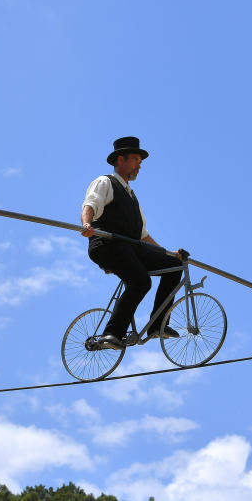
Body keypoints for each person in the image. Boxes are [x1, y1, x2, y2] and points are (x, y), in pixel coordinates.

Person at [80, 136, 184, 349]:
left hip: (130, 247)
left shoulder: (132, 198)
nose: (139, 166)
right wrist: (87, 224)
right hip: (107, 244)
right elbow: (90, 204)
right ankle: (111, 334)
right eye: (136, 160)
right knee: (141, 281)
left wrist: (169, 254)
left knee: (174, 266)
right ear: (121, 160)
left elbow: (143, 236)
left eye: (140, 162)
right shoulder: (105, 182)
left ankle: (158, 325)